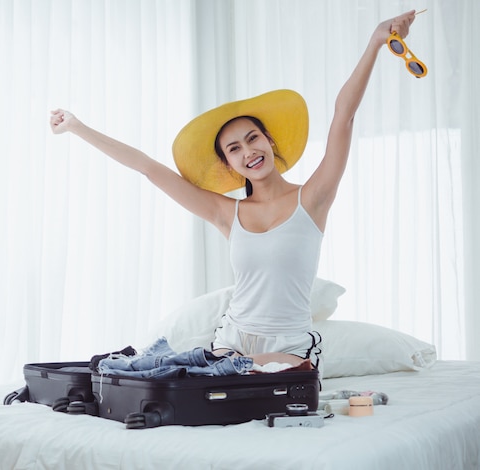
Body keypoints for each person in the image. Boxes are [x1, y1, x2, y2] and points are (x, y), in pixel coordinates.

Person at [50, 11, 418, 373]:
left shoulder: (313, 198)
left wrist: (376, 41)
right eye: (235, 149)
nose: (249, 152)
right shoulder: (227, 212)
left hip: (289, 347)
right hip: (231, 340)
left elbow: (344, 116)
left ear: (269, 140)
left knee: (267, 378)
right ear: (229, 164)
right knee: (216, 379)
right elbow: (149, 168)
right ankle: (160, 369)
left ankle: (194, 369)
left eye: (253, 138)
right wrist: (78, 127)